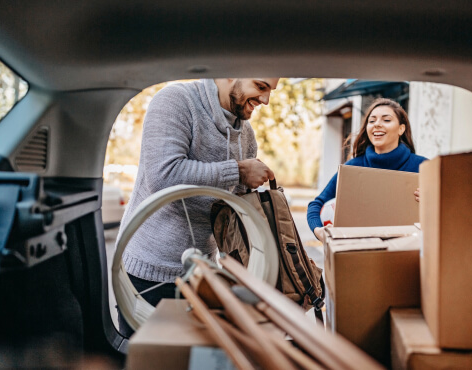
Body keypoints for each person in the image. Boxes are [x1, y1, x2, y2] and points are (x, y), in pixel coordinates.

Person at [116, 78, 279, 337]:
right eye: (261, 87)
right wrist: (237, 171)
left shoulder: (246, 134)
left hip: (202, 273)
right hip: (148, 272)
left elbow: (231, 210)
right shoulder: (175, 101)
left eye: (271, 90)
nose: (266, 100)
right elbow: (163, 175)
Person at [307, 98, 427, 242]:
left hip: (408, 253)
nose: (377, 124)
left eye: (386, 120)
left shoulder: (424, 167)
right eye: (372, 121)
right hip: (360, 254)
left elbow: (451, 211)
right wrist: (318, 230)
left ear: (401, 128)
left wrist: (434, 201)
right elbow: (316, 205)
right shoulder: (353, 168)